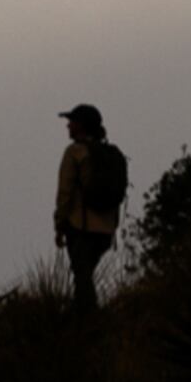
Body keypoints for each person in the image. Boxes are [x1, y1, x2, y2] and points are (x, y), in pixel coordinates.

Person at [53, 103, 126, 312]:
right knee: (84, 277)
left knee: (82, 278)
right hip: (105, 229)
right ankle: (85, 316)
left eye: (72, 123)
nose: (68, 126)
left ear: (81, 126)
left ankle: (88, 321)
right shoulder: (111, 154)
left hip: (81, 226)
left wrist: (60, 224)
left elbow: (65, 193)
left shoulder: (75, 152)